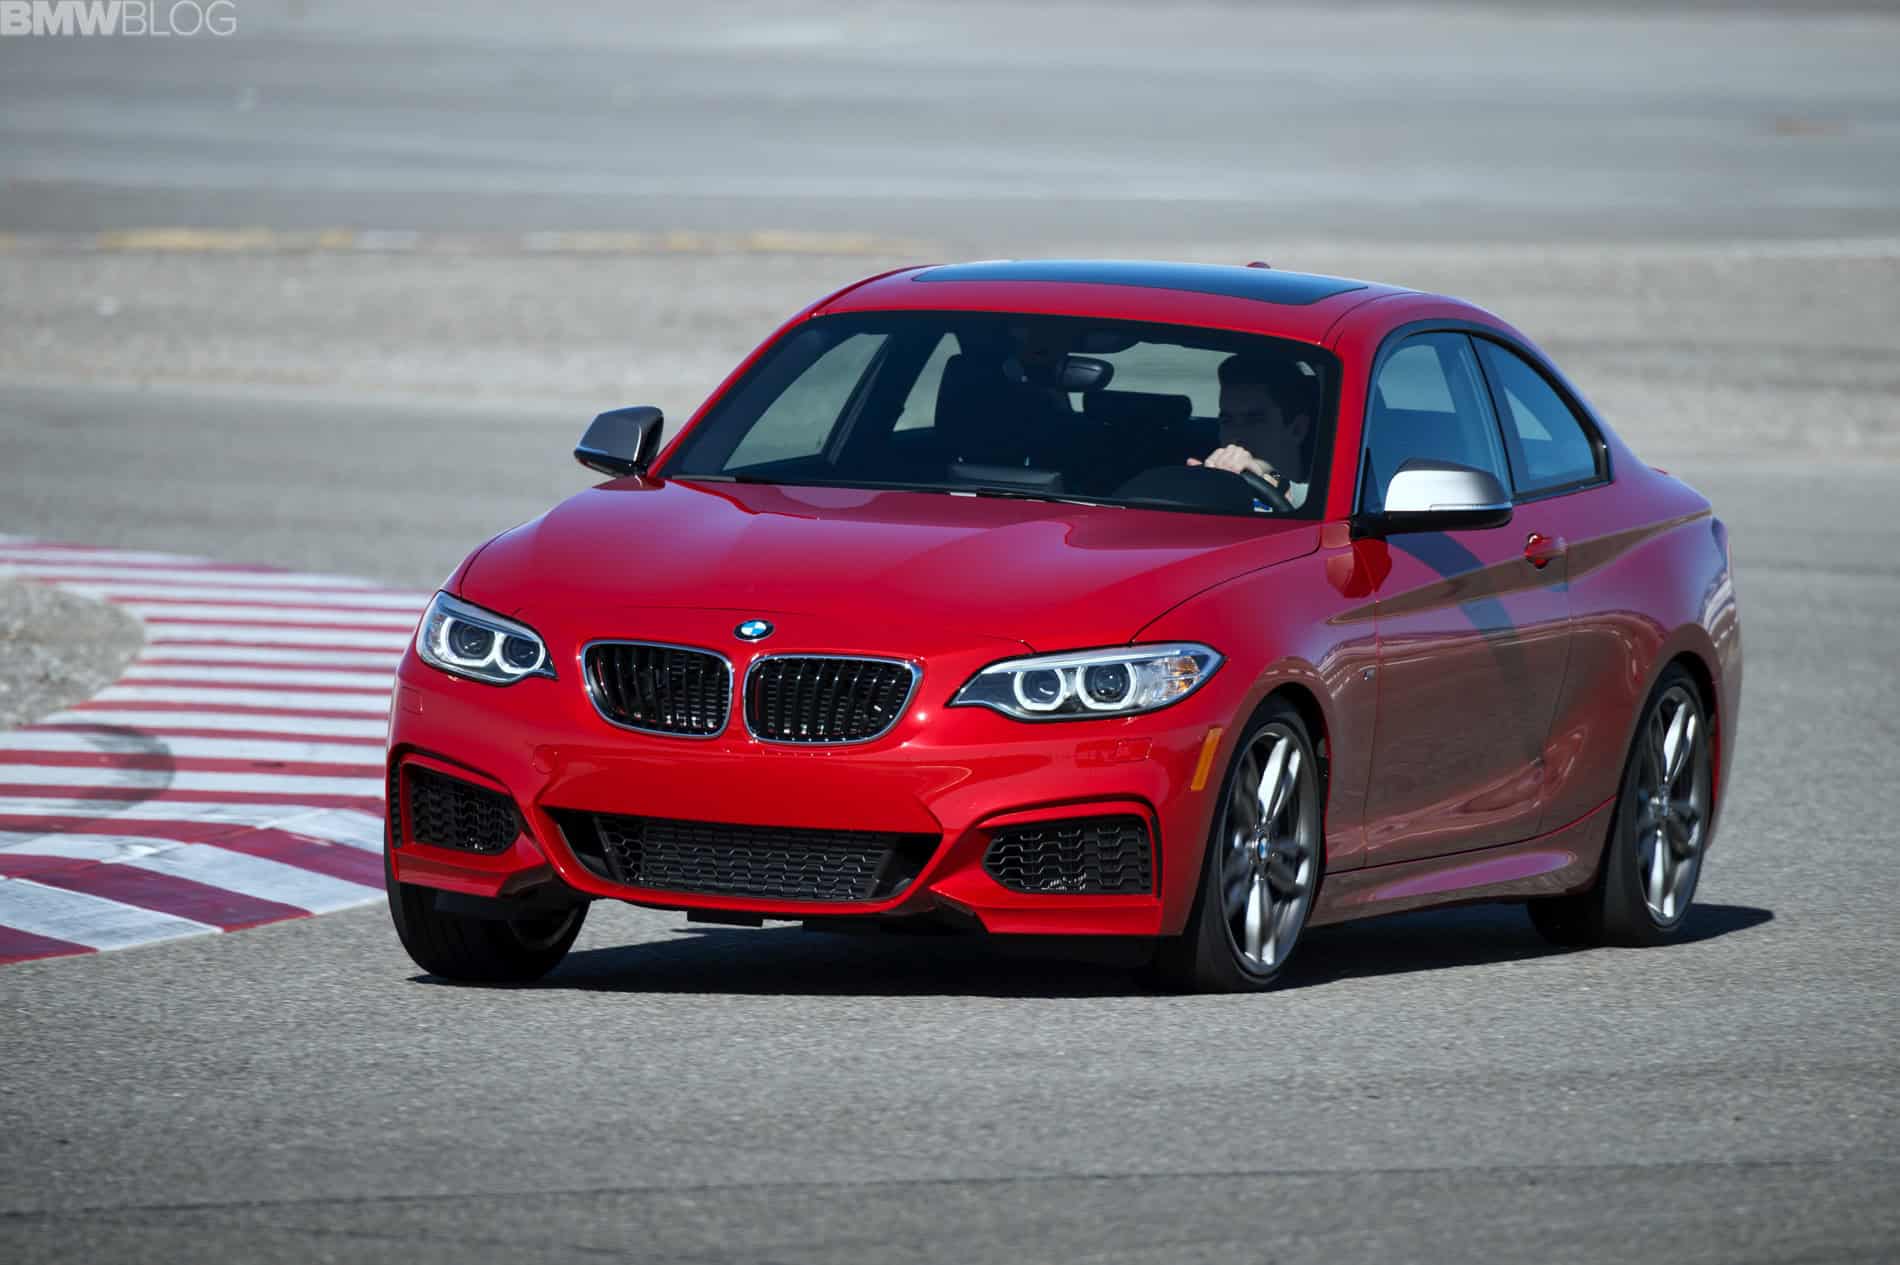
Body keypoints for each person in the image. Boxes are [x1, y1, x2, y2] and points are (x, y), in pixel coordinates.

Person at [1188, 354, 1317, 506]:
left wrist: (1273, 477)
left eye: (1254, 420)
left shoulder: (1324, 500)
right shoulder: (1205, 484)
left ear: (1297, 429)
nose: (1235, 437)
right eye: (1227, 420)